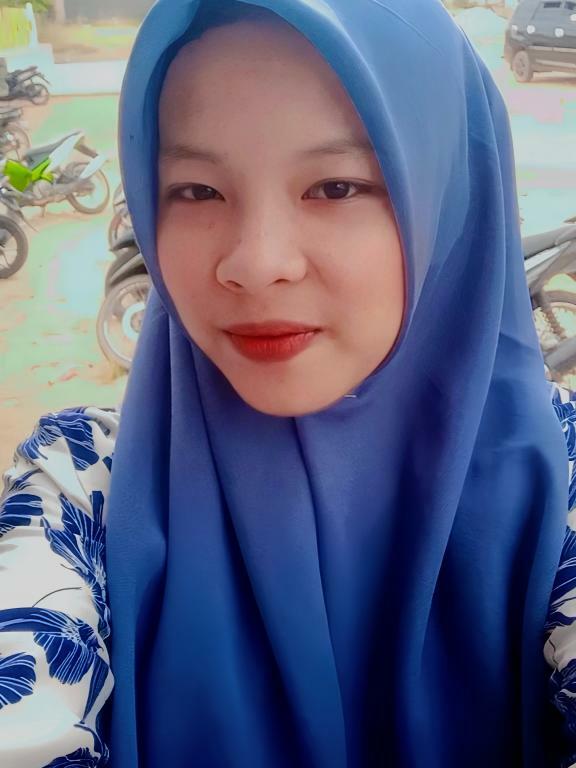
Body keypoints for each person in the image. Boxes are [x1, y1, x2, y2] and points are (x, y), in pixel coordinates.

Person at [1, 0, 576, 765]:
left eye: (335, 187)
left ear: (446, 199)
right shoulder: (84, 486)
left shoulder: (559, 477)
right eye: (197, 191)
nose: (254, 262)